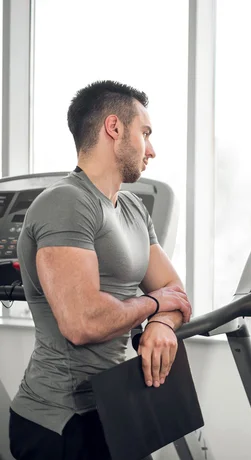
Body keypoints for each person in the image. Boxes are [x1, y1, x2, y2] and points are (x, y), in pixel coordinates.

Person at [8, 80, 192, 460]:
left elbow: (175, 290)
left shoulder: (132, 208)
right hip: (60, 420)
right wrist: (153, 305)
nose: (152, 149)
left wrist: (160, 323)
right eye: (145, 133)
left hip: (111, 408)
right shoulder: (66, 202)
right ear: (114, 128)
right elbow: (82, 324)